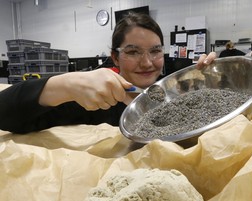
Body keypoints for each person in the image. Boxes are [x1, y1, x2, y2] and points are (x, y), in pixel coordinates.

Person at [0, 12, 216, 134]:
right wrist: (65, 85)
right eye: (133, 51)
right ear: (115, 57)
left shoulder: (172, 90)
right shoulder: (91, 98)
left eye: (155, 51)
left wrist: (214, 79)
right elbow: (5, 113)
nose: (147, 62)